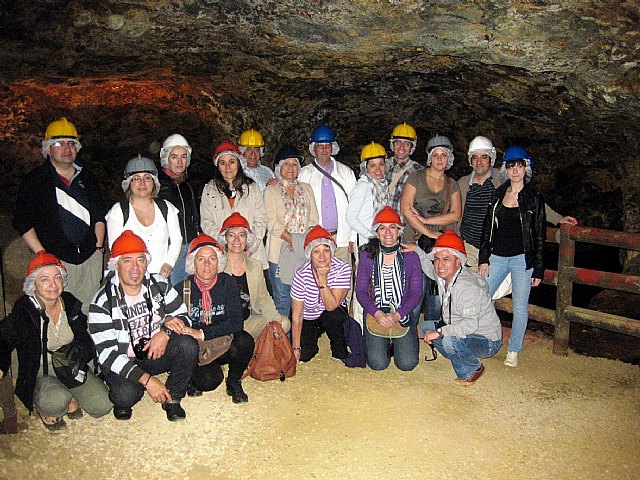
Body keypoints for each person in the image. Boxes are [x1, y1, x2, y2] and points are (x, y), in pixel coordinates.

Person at [88, 230, 199, 421]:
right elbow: (106, 354)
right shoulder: (102, 301)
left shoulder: (159, 284)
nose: (135, 268)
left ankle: (173, 398)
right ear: (116, 265)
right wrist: (148, 381)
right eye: (127, 260)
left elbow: (184, 317)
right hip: (124, 358)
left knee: (188, 344)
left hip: (156, 350)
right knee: (126, 395)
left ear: (147, 262)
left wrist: (165, 333)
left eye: (140, 260)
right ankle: (128, 390)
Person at [0, 252, 112, 431]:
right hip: (41, 370)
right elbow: (4, 337)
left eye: (57, 277)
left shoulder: (70, 303)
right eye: (44, 279)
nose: (53, 285)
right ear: (33, 284)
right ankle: (48, 403)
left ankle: (69, 394)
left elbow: (84, 337)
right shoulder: (25, 311)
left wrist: (80, 355)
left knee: (103, 404)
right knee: (56, 401)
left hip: (69, 365)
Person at [12, 117, 106, 314]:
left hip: (89, 258)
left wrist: (98, 248)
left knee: (90, 311)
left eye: (71, 143)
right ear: (48, 149)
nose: (66, 148)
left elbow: (98, 215)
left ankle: (88, 345)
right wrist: (43, 255)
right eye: (59, 144)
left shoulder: (86, 177)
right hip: (56, 261)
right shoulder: (36, 180)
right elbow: (22, 221)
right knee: (58, 312)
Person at [459, 137, 577, 270]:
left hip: (495, 249)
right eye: (475, 157)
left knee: (490, 288)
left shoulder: (503, 179)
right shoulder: (463, 183)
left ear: (491, 159)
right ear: (470, 161)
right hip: (467, 248)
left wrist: (558, 219)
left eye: (484, 157)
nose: (479, 162)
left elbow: (528, 199)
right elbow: (455, 213)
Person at [479, 146, 546, 368]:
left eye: (519, 165)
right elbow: (487, 228)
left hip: (521, 259)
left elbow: (539, 233)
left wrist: (538, 267)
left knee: (519, 307)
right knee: (481, 298)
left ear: (526, 168)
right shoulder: (498, 195)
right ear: (505, 170)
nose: (515, 170)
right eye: (511, 166)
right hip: (497, 257)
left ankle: (513, 350)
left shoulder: (534, 197)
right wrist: (483, 258)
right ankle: (480, 339)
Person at [173, 234, 254, 403]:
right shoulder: (182, 288)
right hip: (198, 349)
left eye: (212, 259)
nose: (207, 265)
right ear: (193, 263)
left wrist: (202, 332)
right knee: (208, 381)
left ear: (219, 262)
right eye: (201, 259)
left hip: (221, 342)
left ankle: (234, 382)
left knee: (245, 341)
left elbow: (236, 322)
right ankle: (192, 377)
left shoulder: (228, 283)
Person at [415, 231, 502, 386]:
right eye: (437, 259)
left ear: (458, 262)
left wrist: (440, 332)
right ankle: (460, 353)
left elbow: (470, 325)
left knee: (448, 340)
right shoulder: (445, 276)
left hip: (486, 340)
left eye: (446, 259)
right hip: (466, 332)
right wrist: (416, 250)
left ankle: (472, 369)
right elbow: (429, 269)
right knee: (426, 327)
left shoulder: (465, 286)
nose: (440, 264)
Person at [401, 134, 461, 330]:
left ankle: (434, 333)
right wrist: (427, 231)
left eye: (444, 155)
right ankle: (408, 331)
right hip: (415, 239)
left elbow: (455, 214)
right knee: (415, 286)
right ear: (430, 157)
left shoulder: (452, 184)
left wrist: (428, 222)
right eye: (436, 155)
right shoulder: (416, 178)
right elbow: (406, 209)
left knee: (437, 289)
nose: (439, 159)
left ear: (449, 158)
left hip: (441, 244)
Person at [355, 207, 422, 371]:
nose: (387, 232)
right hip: (375, 312)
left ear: (399, 231)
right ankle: (385, 343)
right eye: (382, 228)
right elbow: (361, 292)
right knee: (378, 364)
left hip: (402, 312)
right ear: (376, 232)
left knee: (407, 364)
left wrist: (398, 314)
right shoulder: (367, 255)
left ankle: (396, 343)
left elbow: (416, 293)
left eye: (392, 227)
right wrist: (377, 313)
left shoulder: (411, 256)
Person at [264, 145, 319, 318]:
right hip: (279, 252)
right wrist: (292, 240)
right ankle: (283, 343)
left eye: (294, 164)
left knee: (303, 299)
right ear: (279, 167)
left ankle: (300, 342)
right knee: (282, 300)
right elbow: (272, 222)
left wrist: (301, 242)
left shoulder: (306, 188)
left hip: (303, 251)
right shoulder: (271, 190)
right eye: (286, 164)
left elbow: (314, 220)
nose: (291, 168)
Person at [106, 155, 182, 278]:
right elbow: (115, 248)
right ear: (129, 183)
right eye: (136, 178)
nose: (142, 183)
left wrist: (169, 263)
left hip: (161, 277)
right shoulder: (119, 211)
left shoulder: (166, 208)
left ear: (154, 182)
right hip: (131, 278)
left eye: (147, 178)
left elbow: (176, 239)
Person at [219, 213, 291, 339]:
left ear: (247, 239)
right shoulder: (217, 266)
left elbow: (264, 298)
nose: (236, 240)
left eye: (241, 235)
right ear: (225, 239)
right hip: (225, 324)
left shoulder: (255, 266)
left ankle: (258, 346)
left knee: (283, 324)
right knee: (241, 341)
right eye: (231, 235)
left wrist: (274, 321)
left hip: (248, 320)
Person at [200, 140, 269, 271]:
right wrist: (226, 246)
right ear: (218, 166)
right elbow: (207, 222)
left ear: (239, 163)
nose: (227, 167)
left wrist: (248, 246)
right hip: (223, 256)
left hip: (252, 255)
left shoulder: (252, 188)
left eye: (232, 162)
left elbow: (261, 220)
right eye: (223, 163)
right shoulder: (209, 190)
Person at [290, 226, 351, 364]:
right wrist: (296, 348)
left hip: (330, 312)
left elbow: (331, 306)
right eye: (316, 251)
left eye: (326, 250)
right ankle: (313, 335)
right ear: (309, 254)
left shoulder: (343, 268)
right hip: (308, 315)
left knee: (334, 315)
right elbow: (297, 315)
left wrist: (322, 280)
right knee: (305, 354)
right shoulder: (301, 274)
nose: (322, 256)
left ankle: (339, 350)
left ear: (332, 251)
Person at [298, 124, 357, 265]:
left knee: (343, 284)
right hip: (316, 241)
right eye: (320, 145)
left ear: (333, 147)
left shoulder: (346, 173)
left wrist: (353, 237)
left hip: (342, 238)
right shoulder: (304, 174)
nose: (324, 149)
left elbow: (355, 206)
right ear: (314, 148)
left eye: (327, 145)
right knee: (319, 283)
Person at [157, 134, 201, 284]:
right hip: (169, 248)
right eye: (174, 157)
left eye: (183, 156)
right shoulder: (156, 186)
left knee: (187, 289)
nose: (180, 161)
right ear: (166, 158)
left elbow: (194, 216)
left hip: (188, 246)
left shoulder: (186, 186)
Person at [346, 142, 391, 248]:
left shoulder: (383, 185)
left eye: (381, 164)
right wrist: (371, 236)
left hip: (382, 240)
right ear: (366, 167)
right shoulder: (363, 186)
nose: (378, 169)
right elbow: (350, 217)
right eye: (373, 166)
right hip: (366, 243)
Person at [385, 122, 425, 223]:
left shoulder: (418, 172)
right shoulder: (381, 166)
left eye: (406, 143)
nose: (401, 147)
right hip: (380, 228)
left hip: (403, 228)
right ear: (392, 144)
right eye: (398, 142)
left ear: (412, 147)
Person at [238, 128, 275, 193]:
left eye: (256, 149)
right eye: (248, 149)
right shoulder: (236, 172)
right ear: (242, 152)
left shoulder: (268, 172)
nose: (253, 153)